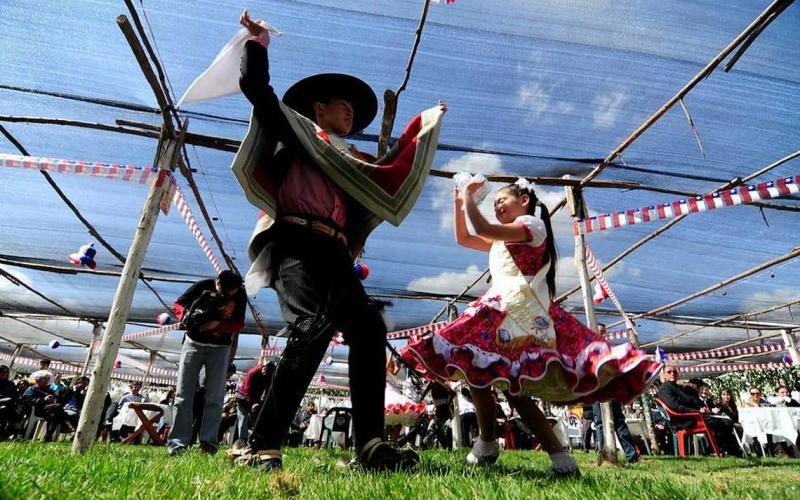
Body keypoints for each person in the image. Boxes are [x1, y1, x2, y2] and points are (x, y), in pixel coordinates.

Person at [231, 9, 446, 473]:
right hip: (294, 242)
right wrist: (259, 44)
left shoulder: (353, 162)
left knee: (368, 330)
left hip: (334, 252)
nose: (349, 110)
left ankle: (370, 446)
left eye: (353, 107)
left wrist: (420, 133)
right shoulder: (297, 135)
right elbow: (258, 93)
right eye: (340, 104)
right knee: (312, 326)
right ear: (317, 110)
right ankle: (260, 444)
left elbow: (383, 180)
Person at [403, 179, 661, 475]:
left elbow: (484, 229)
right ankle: (510, 448)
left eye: (503, 200)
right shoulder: (503, 239)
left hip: (517, 314)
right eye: (495, 202)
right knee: (477, 370)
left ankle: (519, 450)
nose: (497, 205)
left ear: (524, 200)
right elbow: (464, 237)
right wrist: (459, 201)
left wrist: (468, 196)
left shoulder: (532, 225)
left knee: (505, 384)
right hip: (499, 311)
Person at [168, 270, 246, 456]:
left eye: (231, 293)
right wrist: (186, 317)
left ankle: (209, 444)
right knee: (183, 394)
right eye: (225, 291)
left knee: (215, 397)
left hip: (220, 348)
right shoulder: (202, 286)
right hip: (193, 344)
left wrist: (217, 326)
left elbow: (239, 324)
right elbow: (178, 304)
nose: (227, 296)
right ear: (217, 282)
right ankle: (178, 444)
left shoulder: (241, 295)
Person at [656, 366, 740, 456]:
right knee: (724, 422)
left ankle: (723, 450)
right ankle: (724, 450)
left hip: (692, 416)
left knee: (726, 421)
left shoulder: (677, 387)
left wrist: (701, 409)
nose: (672, 374)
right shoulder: (665, 388)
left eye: (675, 372)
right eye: (669, 372)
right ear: (664, 375)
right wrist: (697, 411)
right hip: (684, 420)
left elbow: (689, 401)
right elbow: (676, 407)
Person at [235, 361, 276, 445]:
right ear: (264, 368)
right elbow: (247, 389)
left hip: (255, 400)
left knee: (256, 420)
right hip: (244, 398)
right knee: (243, 419)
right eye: (265, 372)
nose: (265, 375)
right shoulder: (253, 372)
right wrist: (252, 404)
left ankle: (255, 440)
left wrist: (262, 403)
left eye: (268, 374)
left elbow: (268, 391)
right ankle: (242, 441)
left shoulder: (269, 376)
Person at [21, 370, 65, 442]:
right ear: (38, 379)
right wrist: (43, 400)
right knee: (58, 407)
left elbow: (55, 398)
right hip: (37, 410)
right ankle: (64, 424)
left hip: (48, 410)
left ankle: (48, 437)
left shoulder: (49, 390)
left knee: (54, 415)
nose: (47, 380)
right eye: (45, 378)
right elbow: (26, 400)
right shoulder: (32, 389)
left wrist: (53, 400)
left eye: (48, 379)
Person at [0, 365, 21, 440]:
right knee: (9, 401)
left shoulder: (10, 384)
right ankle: (15, 423)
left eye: (6, 372)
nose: (4, 373)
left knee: (4, 408)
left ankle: (3, 433)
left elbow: (16, 397)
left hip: (7, 406)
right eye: (1, 371)